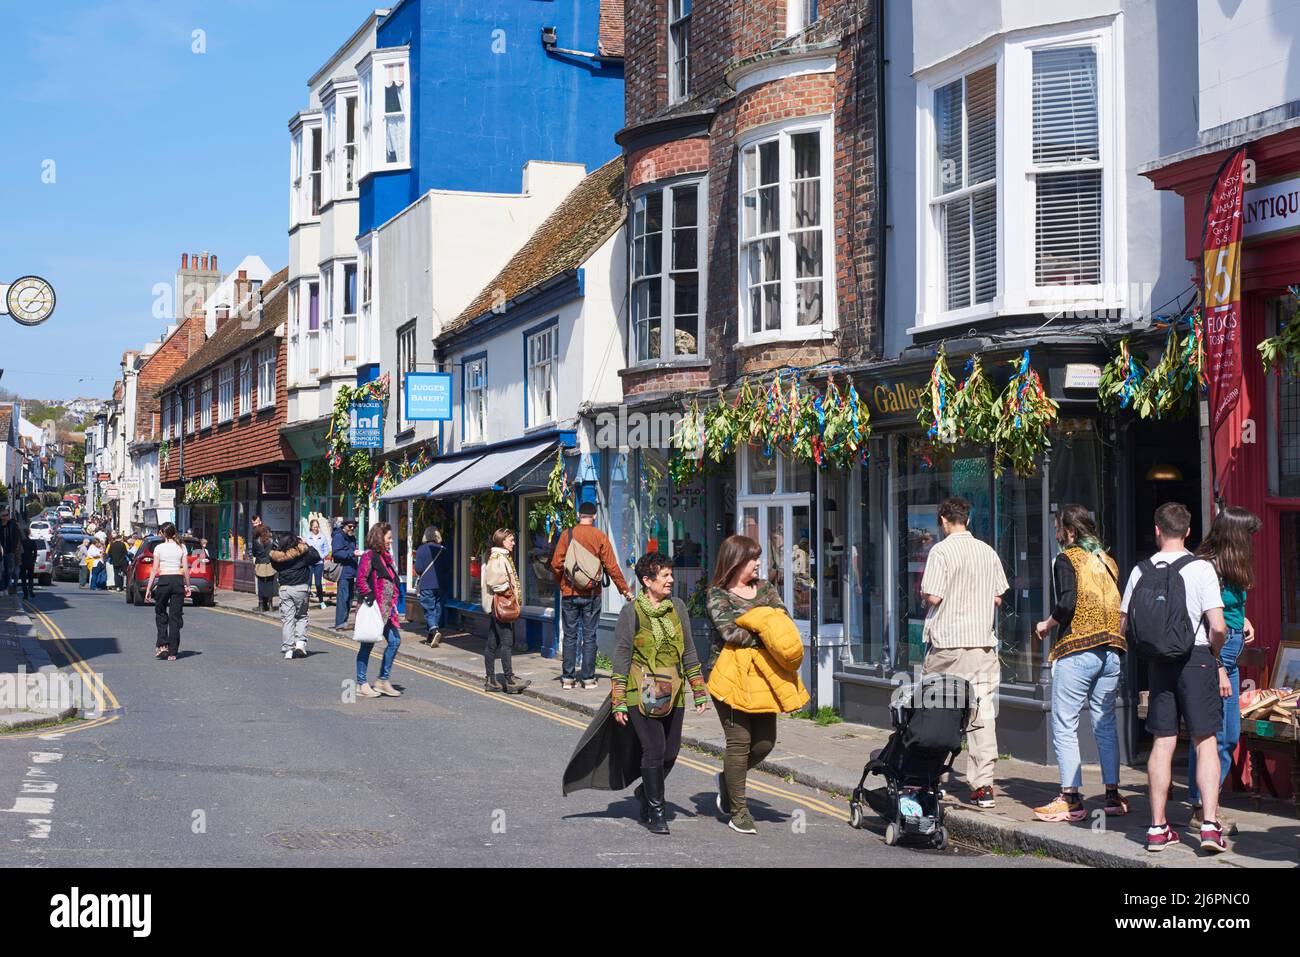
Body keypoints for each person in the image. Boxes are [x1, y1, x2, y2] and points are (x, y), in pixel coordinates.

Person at [1120, 502, 1230, 854]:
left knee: (1163, 742)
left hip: (1159, 665)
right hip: (1197, 660)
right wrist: (1214, 655)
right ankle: (1210, 826)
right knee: (1205, 741)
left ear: (1156, 530)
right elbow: (1218, 627)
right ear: (1187, 532)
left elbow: (1124, 626)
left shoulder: (1141, 571)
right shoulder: (1202, 569)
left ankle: (1156, 828)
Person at [1032, 505, 1129, 822]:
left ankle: (1071, 799)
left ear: (1070, 532)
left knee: (1065, 725)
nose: (1058, 534)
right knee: (1105, 725)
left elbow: (1067, 602)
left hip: (1078, 650)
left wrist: (1047, 625)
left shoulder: (1067, 558)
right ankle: (1113, 797)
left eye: (1060, 528)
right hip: (1111, 651)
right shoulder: (1108, 561)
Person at [706, 534, 807, 834]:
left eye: (759, 558)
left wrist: (758, 625)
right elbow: (730, 633)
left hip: (764, 675)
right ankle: (738, 810)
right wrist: (766, 628)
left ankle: (727, 780)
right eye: (753, 559)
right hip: (728, 674)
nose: (759, 564)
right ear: (736, 561)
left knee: (764, 743)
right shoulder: (717, 594)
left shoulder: (765, 588)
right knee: (739, 742)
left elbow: (785, 621)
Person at [608, 552, 709, 834]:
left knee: (671, 751)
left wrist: (699, 691)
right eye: (664, 575)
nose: (670, 580)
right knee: (653, 749)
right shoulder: (631, 612)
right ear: (646, 580)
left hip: (673, 689)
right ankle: (656, 811)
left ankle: (644, 791)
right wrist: (618, 701)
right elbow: (621, 655)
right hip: (640, 692)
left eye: (670, 574)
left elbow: (688, 650)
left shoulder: (677, 607)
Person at [919, 496, 1009, 809]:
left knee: (939, 714)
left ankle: (933, 779)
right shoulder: (988, 551)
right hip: (982, 646)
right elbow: (998, 598)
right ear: (967, 520)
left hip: (947, 647)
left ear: (944, 520)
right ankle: (983, 787)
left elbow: (933, 595)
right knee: (981, 715)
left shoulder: (940, 551)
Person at [1185, 505, 1261, 838]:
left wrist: (1243, 621)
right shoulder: (1207, 567)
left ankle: (1208, 802)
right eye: (1248, 535)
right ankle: (1200, 808)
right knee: (1207, 737)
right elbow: (1200, 623)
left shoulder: (1230, 567)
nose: (1252, 542)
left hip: (1227, 660)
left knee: (1228, 736)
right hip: (1213, 661)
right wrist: (1215, 665)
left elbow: (1228, 609)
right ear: (1235, 536)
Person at [550, 502, 634, 690]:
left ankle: (568, 678)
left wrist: (563, 583)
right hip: (592, 594)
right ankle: (588, 678)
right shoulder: (600, 536)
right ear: (594, 516)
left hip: (570, 593)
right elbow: (612, 567)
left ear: (579, 514)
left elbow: (556, 564)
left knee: (570, 635)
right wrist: (625, 590)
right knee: (589, 635)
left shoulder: (567, 535)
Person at [355, 522, 403, 698]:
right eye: (388, 537)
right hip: (374, 609)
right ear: (379, 537)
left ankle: (382, 680)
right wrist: (371, 601)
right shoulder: (369, 556)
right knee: (367, 645)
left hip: (387, 610)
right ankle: (361, 684)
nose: (391, 541)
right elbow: (361, 580)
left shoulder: (385, 557)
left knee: (395, 641)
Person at [481, 528, 530, 694]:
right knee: (507, 642)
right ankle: (509, 680)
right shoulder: (497, 558)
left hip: (497, 606)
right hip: (500, 606)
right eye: (511, 540)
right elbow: (495, 582)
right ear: (502, 541)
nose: (514, 543)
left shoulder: (501, 557)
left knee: (492, 643)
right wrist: (510, 591)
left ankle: (491, 680)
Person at [144, 522, 191, 661]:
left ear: (163, 533)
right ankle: (173, 652)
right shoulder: (181, 547)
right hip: (177, 581)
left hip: (164, 580)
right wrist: (188, 585)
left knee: (160, 612)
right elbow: (186, 569)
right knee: (175, 617)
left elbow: (154, 569)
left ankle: (163, 645)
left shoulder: (159, 548)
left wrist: (148, 588)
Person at [270, 532, 321, 661]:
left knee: (288, 619)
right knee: (301, 616)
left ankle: (288, 649)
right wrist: (306, 544)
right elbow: (316, 556)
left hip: (285, 589)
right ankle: (300, 644)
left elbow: (275, 565)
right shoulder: (302, 554)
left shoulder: (277, 557)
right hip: (301, 588)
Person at [415, 527, 447, 647]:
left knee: (429, 608)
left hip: (427, 583)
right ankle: (431, 637)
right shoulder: (443, 549)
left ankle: (434, 630)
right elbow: (447, 568)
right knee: (437, 609)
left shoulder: (421, 549)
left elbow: (418, 568)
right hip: (441, 584)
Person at [332, 518, 360, 629]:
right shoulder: (339, 536)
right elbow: (336, 553)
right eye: (349, 526)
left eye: (354, 526)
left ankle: (344, 621)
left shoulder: (352, 538)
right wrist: (352, 553)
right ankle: (340, 623)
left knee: (349, 598)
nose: (352, 528)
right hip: (343, 571)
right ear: (344, 526)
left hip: (352, 571)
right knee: (343, 598)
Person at [304, 518, 330, 610]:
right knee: (309, 583)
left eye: (317, 527)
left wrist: (321, 556)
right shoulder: (307, 537)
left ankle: (321, 601)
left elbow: (326, 550)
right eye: (314, 527)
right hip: (310, 562)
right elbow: (304, 549)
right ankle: (305, 603)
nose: (316, 528)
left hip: (319, 562)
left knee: (318, 583)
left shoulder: (322, 537)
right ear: (311, 527)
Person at [251, 519, 276, 613]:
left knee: (261, 585)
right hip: (270, 564)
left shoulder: (256, 541)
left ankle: (261, 605)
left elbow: (253, 553)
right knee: (270, 585)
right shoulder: (271, 540)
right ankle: (270, 605)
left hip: (260, 564)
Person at [1, 512, 21, 595]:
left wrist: (14, 549)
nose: (5, 517)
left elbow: (18, 536)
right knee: (2, 571)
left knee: (8, 571)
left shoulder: (12, 525)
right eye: (3, 515)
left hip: (10, 552)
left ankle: (6, 588)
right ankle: (2, 588)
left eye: (7, 515)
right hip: (1, 552)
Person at [19, 524, 38, 601]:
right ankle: (30, 588)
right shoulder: (32, 542)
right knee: (30, 578)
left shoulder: (22, 542)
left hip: (23, 562)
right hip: (30, 561)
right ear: (29, 533)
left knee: (23, 579)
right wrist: (33, 560)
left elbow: (19, 552)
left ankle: (25, 594)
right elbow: (35, 552)